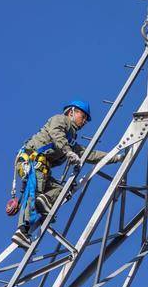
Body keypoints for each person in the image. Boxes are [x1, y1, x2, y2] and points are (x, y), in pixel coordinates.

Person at [11, 100, 124, 248]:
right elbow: (56, 134)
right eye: (83, 116)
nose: (84, 122)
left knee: (66, 189)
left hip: (42, 168)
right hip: (33, 162)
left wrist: (115, 157)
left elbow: (89, 154)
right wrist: (68, 152)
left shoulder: (71, 139)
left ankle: (44, 201)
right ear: (72, 112)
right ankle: (22, 231)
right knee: (33, 191)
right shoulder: (60, 120)